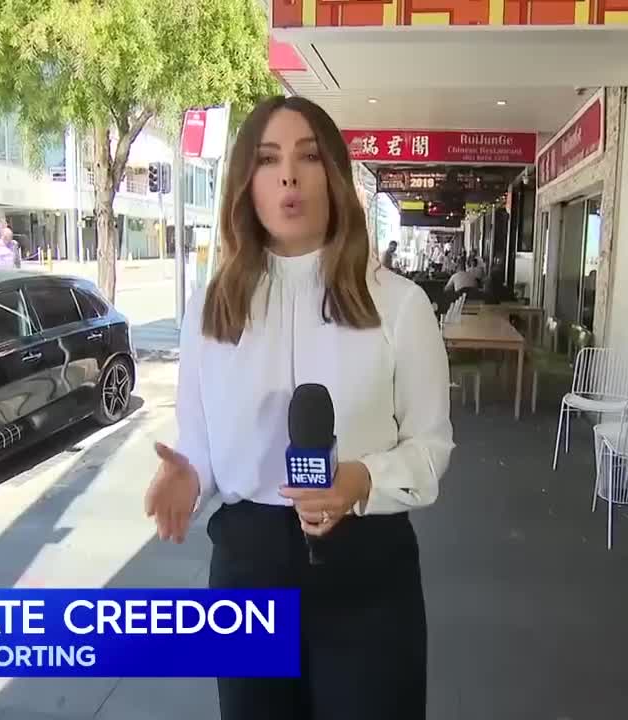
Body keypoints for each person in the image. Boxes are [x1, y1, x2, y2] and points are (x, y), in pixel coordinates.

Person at [143, 96, 455, 720]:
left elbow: (430, 448)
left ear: (335, 176)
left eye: (308, 157)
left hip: (367, 566)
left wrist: (361, 480)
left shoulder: (400, 304)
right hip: (248, 571)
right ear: (246, 185)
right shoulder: (211, 309)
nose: (289, 175)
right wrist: (190, 475)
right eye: (268, 159)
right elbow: (201, 443)